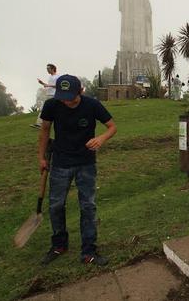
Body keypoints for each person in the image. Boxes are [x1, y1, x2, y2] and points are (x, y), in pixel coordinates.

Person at [38, 75, 117, 266]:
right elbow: (45, 130)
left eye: (70, 96)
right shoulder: (52, 105)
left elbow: (112, 127)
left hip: (85, 163)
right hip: (60, 163)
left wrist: (101, 139)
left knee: (87, 206)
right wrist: (41, 157)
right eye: (62, 96)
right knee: (56, 205)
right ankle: (59, 244)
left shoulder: (92, 105)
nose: (65, 100)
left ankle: (88, 251)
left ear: (80, 91)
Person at [31, 64, 59, 128]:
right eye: (46, 69)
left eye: (48, 68)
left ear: (52, 69)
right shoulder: (50, 77)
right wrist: (42, 83)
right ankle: (39, 124)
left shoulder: (57, 77)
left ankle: (39, 124)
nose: (47, 70)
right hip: (49, 95)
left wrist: (48, 85)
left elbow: (58, 86)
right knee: (46, 109)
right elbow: (48, 85)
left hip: (54, 95)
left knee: (44, 109)